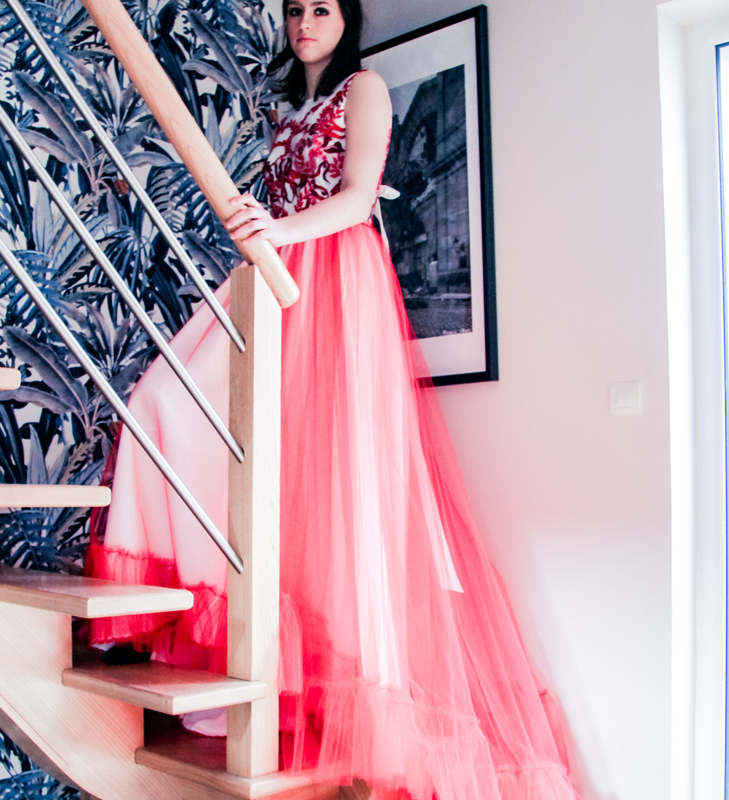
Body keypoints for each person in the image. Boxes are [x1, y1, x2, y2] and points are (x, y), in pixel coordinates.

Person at [88, 1, 582, 798]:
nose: (303, 21)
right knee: (170, 402)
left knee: (337, 485)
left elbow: (357, 198)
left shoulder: (367, 87)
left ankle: (343, 693)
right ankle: (249, 654)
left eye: (320, 8)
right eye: (293, 10)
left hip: (334, 276)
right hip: (281, 275)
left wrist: (278, 233)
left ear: (346, 19)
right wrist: (275, 237)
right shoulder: (288, 108)